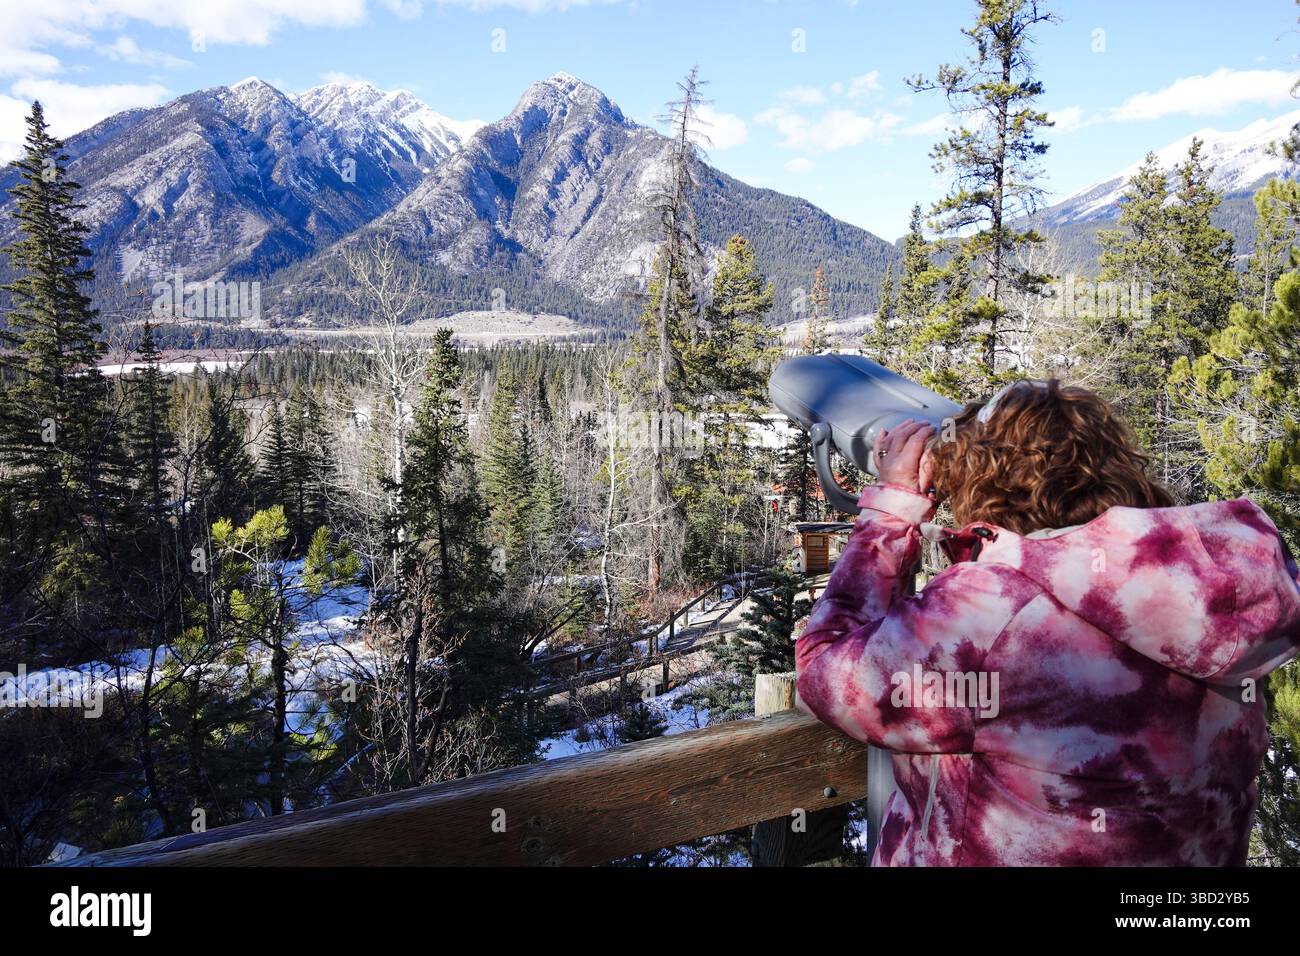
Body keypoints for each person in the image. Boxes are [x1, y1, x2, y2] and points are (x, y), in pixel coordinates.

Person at [795, 379, 1300, 866]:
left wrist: (890, 513)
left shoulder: (993, 616)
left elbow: (825, 673)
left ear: (982, 483)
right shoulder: (1213, 586)